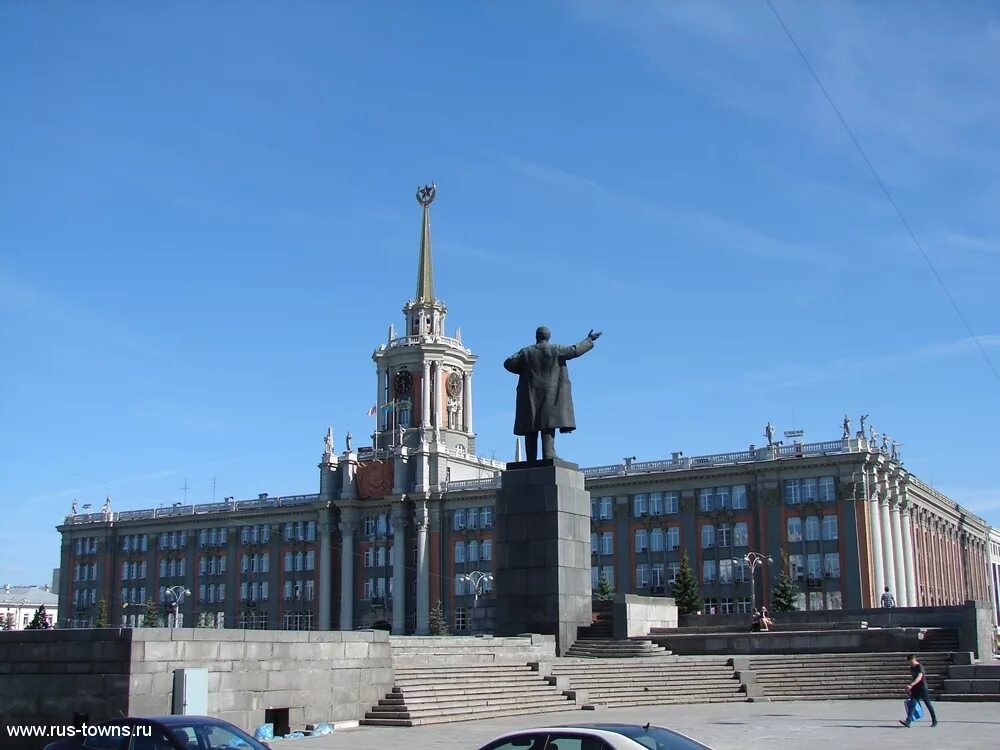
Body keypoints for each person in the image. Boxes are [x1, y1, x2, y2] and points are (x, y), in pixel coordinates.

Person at [503, 326, 601, 463]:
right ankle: (548, 453)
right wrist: (589, 340)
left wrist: (523, 369)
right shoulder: (556, 349)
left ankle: (530, 458)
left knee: (530, 426)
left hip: (530, 393)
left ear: (536, 336)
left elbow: (508, 363)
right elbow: (575, 350)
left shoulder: (525, 352)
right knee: (547, 423)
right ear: (548, 337)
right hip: (551, 392)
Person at [900, 653, 938, 727]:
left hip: (922, 688)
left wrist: (911, 685)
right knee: (913, 704)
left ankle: (934, 720)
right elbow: (914, 678)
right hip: (915, 688)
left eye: (911, 662)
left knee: (928, 704)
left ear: (914, 659)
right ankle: (908, 721)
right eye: (909, 663)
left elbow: (919, 678)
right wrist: (911, 688)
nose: (910, 664)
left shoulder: (920, 667)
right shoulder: (912, 668)